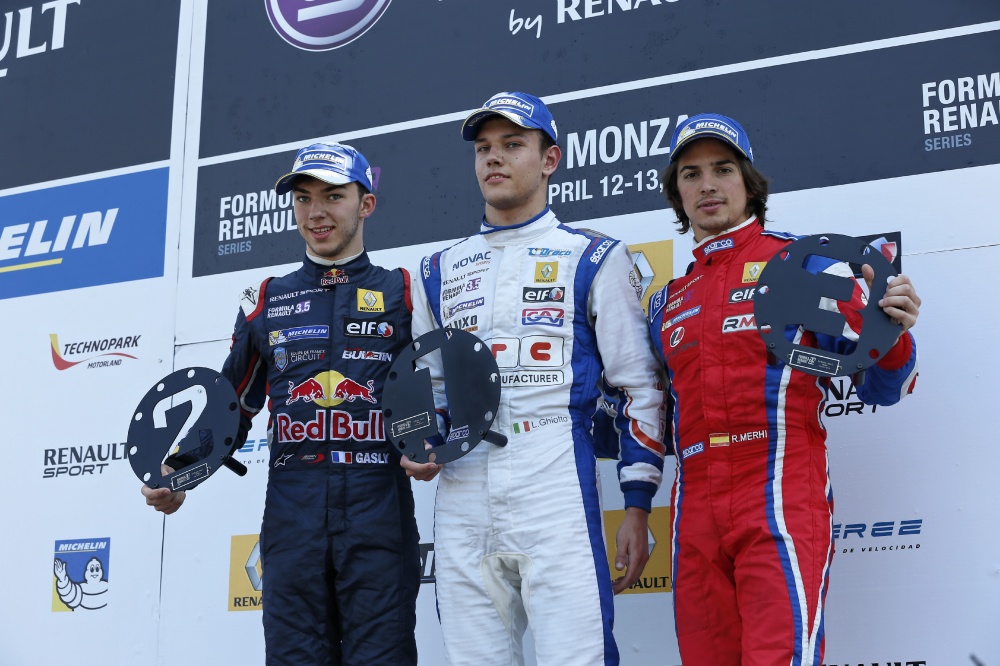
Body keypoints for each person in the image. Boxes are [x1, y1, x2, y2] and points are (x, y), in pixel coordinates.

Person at [402, 91, 666, 665]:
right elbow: (428, 388)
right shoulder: (435, 269)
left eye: (513, 145)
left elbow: (637, 387)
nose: (494, 159)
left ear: (550, 160)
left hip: (554, 478)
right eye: (484, 149)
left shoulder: (594, 256)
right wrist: (422, 438)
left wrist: (638, 501)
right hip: (462, 486)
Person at [648, 113, 921, 665]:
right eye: (690, 174)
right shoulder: (666, 301)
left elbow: (885, 385)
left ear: (748, 182)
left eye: (722, 169)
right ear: (676, 195)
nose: (706, 185)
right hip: (693, 503)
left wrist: (892, 330)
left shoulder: (801, 264)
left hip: (775, 488)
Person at [141, 143, 420, 666]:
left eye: (333, 196)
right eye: (304, 198)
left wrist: (431, 447)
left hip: (379, 509)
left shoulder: (402, 292)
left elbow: (434, 398)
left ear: (366, 204)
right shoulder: (266, 298)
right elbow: (230, 409)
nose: (316, 212)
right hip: (294, 513)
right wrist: (179, 474)